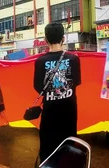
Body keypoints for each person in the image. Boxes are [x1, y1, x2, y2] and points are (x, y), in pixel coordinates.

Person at [34, 23, 81, 164]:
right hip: (69, 112)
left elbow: (38, 87)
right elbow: (76, 82)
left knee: (48, 150)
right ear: (63, 38)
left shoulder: (40, 61)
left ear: (46, 40)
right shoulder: (74, 59)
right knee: (68, 149)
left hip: (49, 113)